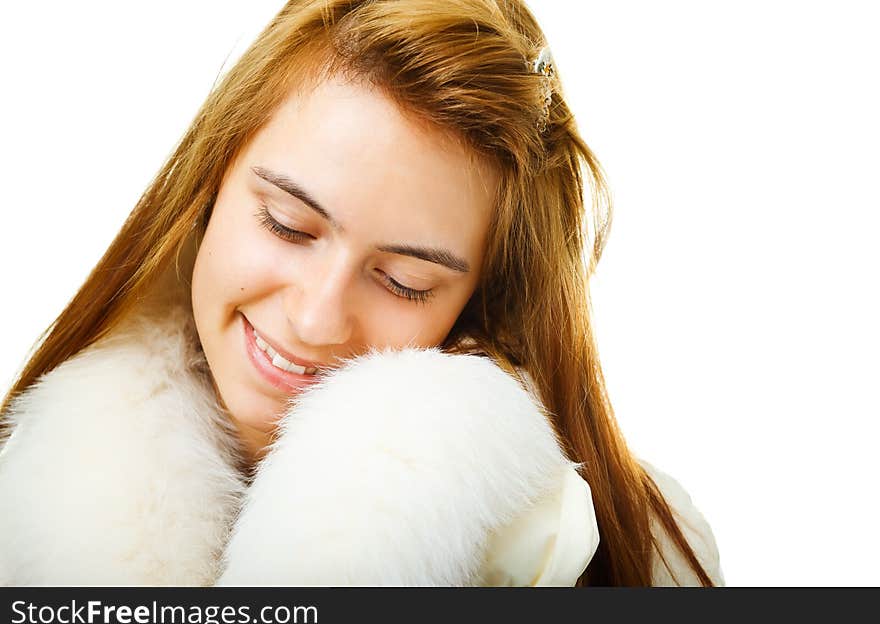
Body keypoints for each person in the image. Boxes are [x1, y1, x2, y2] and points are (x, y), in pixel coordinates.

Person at [0, 0, 723, 586]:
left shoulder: (634, 560)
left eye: (403, 282)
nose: (315, 318)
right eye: (286, 225)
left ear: (483, 300)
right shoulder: (27, 494)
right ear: (209, 183)